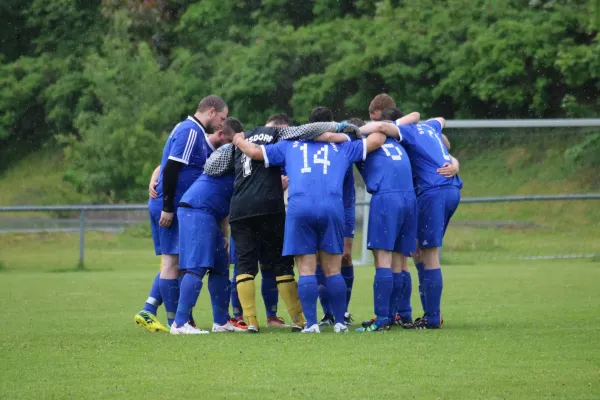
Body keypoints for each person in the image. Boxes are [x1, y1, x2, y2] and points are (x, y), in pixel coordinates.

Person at [203, 114, 359, 333]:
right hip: (274, 206)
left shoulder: (242, 141)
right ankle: (302, 319)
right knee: (283, 266)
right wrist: (341, 129)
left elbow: (211, 167)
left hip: (241, 208)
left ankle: (250, 321)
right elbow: (313, 129)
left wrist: (236, 144)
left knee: (246, 266)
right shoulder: (281, 136)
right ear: (281, 127)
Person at [232, 127, 394, 333]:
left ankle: (311, 324)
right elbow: (378, 139)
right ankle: (340, 323)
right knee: (333, 270)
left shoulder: (289, 145)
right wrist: (346, 130)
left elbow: (254, 152)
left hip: (300, 207)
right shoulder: (342, 147)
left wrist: (238, 140)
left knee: (306, 270)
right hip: (332, 207)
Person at [134, 95, 230, 332]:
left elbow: (167, 163)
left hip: (177, 206)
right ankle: (177, 322)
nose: (222, 123)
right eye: (222, 117)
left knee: (177, 262)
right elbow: (173, 166)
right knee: (172, 262)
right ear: (210, 111)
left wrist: (156, 177)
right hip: (172, 206)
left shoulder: (193, 132)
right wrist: (167, 207)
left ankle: (164, 314)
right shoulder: (190, 131)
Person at [359, 116, 461, 329]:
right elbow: (441, 123)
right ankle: (419, 314)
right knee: (418, 252)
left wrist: (359, 130)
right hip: (451, 188)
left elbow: (382, 126)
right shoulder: (428, 127)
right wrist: (454, 162)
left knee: (427, 255)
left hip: (432, 191)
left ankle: (432, 317)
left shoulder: (407, 134)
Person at [171, 117, 243, 334]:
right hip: (198, 209)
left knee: (221, 265)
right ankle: (180, 323)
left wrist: (223, 234)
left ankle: (221, 321)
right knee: (197, 266)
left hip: (209, 214)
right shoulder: (231, 152)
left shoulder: (241, 157)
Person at [305, 107, 356, 327]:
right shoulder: (306, 147)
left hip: (340, 207)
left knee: (335, 258)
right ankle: (328, 313)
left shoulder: (342, 147)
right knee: (325, 259)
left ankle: (340, 312)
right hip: (331, 208)